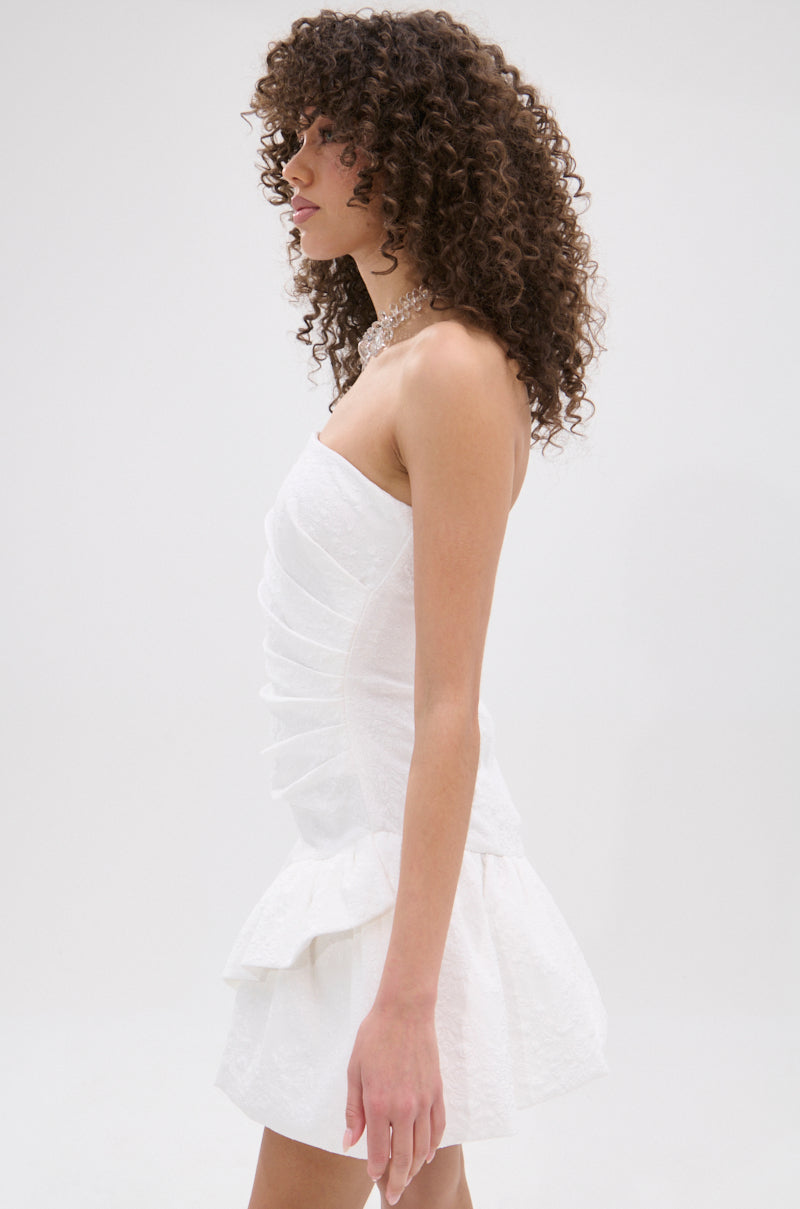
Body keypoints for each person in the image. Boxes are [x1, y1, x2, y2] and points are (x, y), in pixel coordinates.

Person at [215, 9, 609, 1208]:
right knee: (427, 1195)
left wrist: (403, 1002)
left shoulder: (451, 373)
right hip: (359, 862)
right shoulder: (395, 364)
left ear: (411, 155)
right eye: (292, 135)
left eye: (326, 137)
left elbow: (448, 706)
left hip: (391, 886)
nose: (292, 165)